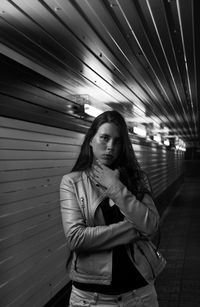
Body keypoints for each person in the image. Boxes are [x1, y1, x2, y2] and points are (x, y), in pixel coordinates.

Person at [60, 110, 160, 307]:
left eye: (118, 141)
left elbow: (151, 227)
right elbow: (76, 238)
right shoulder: (72, 182)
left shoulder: (137, 179)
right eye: (104, 138)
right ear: (90, 139)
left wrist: (115, 187)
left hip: (139, 294)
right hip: (91, 299)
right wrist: (134, 229)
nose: (110, 147)